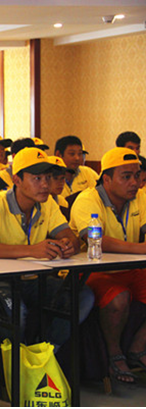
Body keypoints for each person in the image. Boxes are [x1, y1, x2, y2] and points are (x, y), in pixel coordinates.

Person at [0, 147, 94, 350]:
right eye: (37, 179)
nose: (45, 185)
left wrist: (68, 246)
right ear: (17, 180)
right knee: (16, 315)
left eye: (48, 178)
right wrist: (31, 250)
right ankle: (17, 365)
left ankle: (45, 352)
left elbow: (70, 237)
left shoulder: (47, 205)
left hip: (35, 280)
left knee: (83, 296)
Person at [69, 147, 146, 384]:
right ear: (107, 179)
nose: (134, 182)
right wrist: (141, 249)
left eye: (137, 176)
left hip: (131, 268)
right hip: (93, 271)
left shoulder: (140, 198)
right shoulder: (87, 199)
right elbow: (96, 240)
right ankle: (114, 353)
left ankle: (138, 345)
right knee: (119, 298)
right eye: (126, 177)